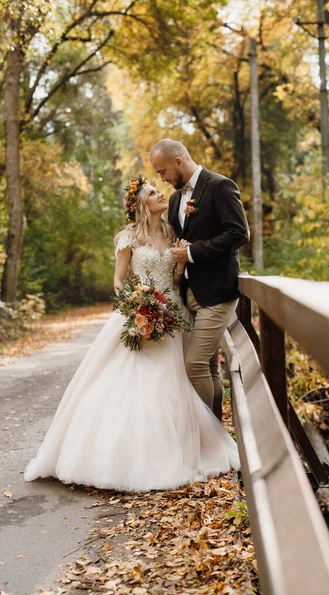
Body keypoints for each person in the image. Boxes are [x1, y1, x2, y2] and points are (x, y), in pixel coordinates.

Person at [24, 177, 239, 493]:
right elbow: (118, 280)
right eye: (152, 192)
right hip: (139, 312)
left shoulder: (172, 234)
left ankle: (182, 447)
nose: (160, 193)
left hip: (174, 314)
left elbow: (178, 276)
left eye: (158, 189)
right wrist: (137, 306)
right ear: (140, 203)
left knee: (176, 381)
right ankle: (122, 457)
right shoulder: (128, 239)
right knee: (135, 381)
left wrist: (179, 266)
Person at [150, 139, 250, 419]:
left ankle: (208, 436)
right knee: (208, 367)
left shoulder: (220, 186)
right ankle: (218, 440)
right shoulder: (174, 199)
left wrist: (193, 252)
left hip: (218, 292)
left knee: (193, 364)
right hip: (189, 294)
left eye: (162, 171)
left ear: (178, 161)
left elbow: (239, 233)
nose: (163, 178)